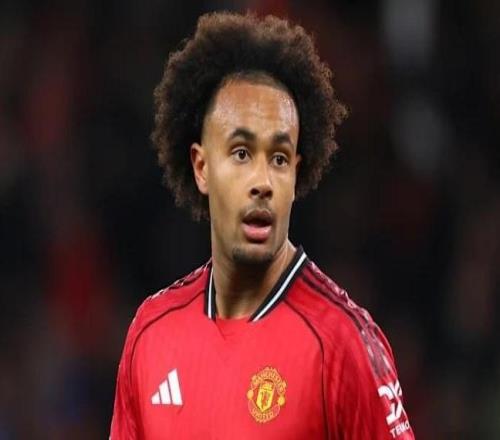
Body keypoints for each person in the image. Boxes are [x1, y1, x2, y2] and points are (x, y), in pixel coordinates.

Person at [110, 11, 414, 439]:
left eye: (279, 158)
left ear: (296, 174)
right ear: (201, 167)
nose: (263, 182)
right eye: (241, 153)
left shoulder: (342, 344)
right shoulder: (152, 334)